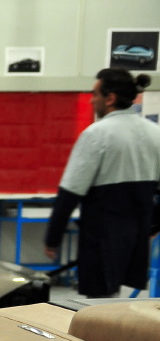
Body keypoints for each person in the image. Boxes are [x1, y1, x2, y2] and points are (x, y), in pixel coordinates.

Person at [44, 69, 160, 297]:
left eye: (95, 94)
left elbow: (71, 191)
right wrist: (153, 226)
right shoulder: (155, 133)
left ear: (110, 98)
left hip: (102, 237)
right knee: (119, 302)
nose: (91, 100)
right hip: (137, 237)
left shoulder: (96, 134)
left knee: (98, 303)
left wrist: (52, 238)